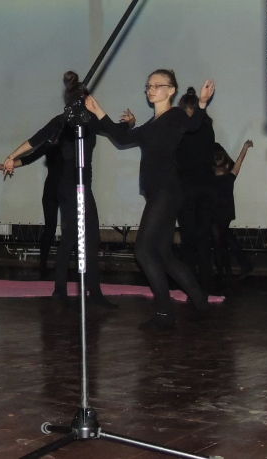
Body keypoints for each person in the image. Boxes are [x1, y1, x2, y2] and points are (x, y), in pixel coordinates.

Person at [87, 70, 214, 329]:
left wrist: (201, 104)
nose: (151, 89)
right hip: (157, 192)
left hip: (167, 190)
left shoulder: (175, 116)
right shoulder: (152, 124)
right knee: (164, 254)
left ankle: (165, 313)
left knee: (144, 251)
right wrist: (98, 110)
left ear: (171, 90)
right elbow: (123, 137)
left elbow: (193, 125)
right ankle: (201, 301)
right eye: (148, 86)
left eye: (157, 85)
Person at [0, 72, 113, 307]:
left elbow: (115, 130)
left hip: (84, 186)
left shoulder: (91, 122)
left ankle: (89, 292)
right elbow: (34, 142)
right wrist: (11, 157)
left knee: (88, 238)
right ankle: (64, 290)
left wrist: (129, 123)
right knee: (74, 237)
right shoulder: (61, 122)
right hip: (68, 188)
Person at [0, 143, 63, 279]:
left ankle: (74, 268)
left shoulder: (75, 141)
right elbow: (29, 158)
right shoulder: (51, 141)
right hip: (52, 189)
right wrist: (8, 164)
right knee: (50, 228)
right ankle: (43, 267)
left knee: (71, 229)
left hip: (69, 190)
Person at [175, 86, 216, 292]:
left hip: (187, 189)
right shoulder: (208, 127)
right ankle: (206, 284)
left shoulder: (182, 130)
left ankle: (189, 285)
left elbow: (176, 159)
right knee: (203, 238)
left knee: (188, 239)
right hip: (207, 188)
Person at [212, 140, 254, 282]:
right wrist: (245, 147)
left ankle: (225, 272)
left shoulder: (210, 179)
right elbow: (238, 162)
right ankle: (242, 266)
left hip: (218, 215)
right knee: (227, 239)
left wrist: (245, 147)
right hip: (225, 214)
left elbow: (238, 162)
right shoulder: (228, 177)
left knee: (220, 242)